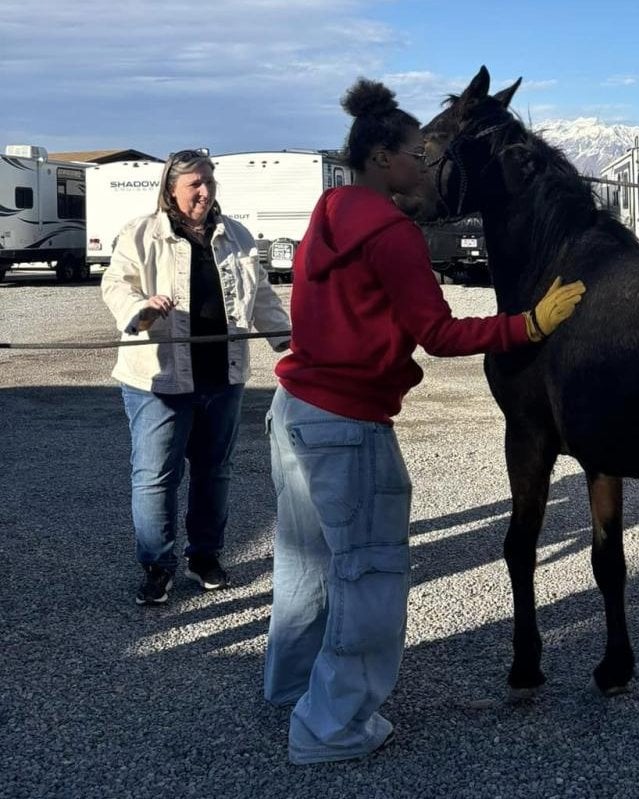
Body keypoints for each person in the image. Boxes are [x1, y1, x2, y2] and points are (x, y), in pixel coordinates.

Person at [262, 78, 585, 765]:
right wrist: (527, 323)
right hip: (348, 424)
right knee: (368, 576)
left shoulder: (331, 210)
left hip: (294, 409)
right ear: (384, 157)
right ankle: (331, 727)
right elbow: (437, 332)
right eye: (415, 151)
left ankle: (290, 690)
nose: (423, 162)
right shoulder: (393, 233)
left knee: (304, 567)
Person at [101, 149, 291, 606]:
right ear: (171, 188)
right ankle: (157, 565)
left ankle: (204, 556)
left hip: (223, 378)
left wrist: (288, 345)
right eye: (194, 185)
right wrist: (140, 310)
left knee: (214, 472)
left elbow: (261, 296)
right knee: (154, 476)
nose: (205, 192)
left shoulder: (237, 236)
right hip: (158, 381)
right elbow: (117, 284)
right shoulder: (142, 234)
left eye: (209, 181)